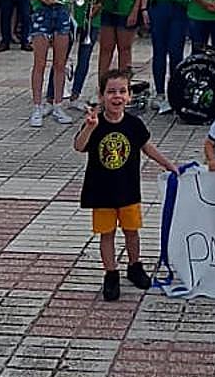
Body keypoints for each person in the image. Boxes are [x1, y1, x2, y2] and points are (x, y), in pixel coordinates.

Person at [74, 70, 179, 302]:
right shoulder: (95, 123)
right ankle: (111, 274)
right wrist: (89, 127)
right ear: (101, 96)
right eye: (111, 92)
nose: (117, 96)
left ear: (130, 96)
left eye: (122, 91)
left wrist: (168, 164)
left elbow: (148, 147)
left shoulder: (134, 124)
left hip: (129, 191)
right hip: (100, 192)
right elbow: (79, 147)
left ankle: (135, 266)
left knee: (132, 232)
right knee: (107, 235)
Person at [20, 0, 78, 127]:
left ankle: (58, 104)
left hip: (62, 12)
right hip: (42, 12)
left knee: (60, 63)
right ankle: (37, 106)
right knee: (40, 62)